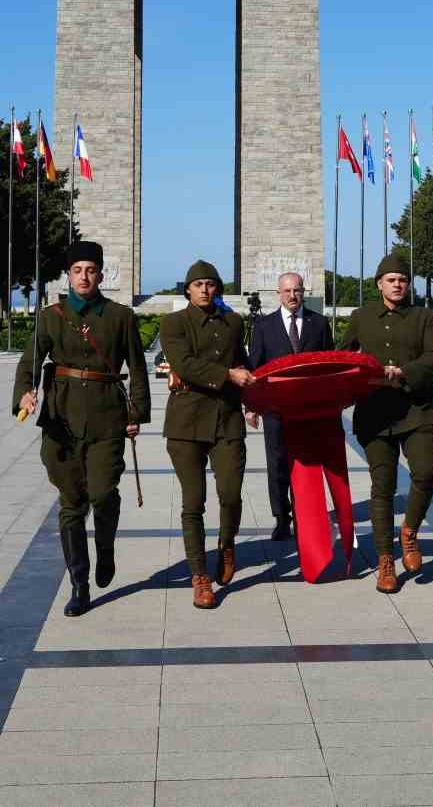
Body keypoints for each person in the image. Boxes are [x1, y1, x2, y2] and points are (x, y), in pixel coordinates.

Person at [14, 241, 150, 617]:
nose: (84, 277)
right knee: (72, 503)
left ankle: (105, 549)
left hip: (107, 418)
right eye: (77, 271)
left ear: (100, 275)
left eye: (90, 270)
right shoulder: (51, 317)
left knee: (104, 494)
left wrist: (136, 412)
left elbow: (138, 369)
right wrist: (25, 392)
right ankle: (79, 583)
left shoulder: (120, 316)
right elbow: (29, 363)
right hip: (61, 419)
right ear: (69, 276)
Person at [339, 254, 433, 593]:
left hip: (416, 410)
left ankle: (409, 531)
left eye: (402, 279)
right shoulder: (361, 317)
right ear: (379, 284)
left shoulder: (424, 316)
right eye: (391, 279)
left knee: (425, 473)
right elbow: (343, 356)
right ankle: (386, 560)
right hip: (375, 415)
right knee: (382, 488)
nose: (397, 284)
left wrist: (405, 372)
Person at [159, 259, 256, 610]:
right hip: (187, 422)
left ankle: (227, 544)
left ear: (217, 288)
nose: (204, 289)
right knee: (193, 502)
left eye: (210, 284)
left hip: (227, 419)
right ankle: (200, 576)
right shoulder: (173, 323)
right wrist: (228, 375)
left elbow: (243, 362)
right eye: (198, 284)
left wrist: (254, 399)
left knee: (230, 494)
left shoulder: (234, 322)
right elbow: (184, 365)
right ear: (187, 289)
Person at [245, 272, 334, 541]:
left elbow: (328, 365)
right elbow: (255, 368)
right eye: (287, 291)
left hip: (310, 409)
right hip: (275, 408)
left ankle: (305, 515)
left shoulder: (319, 323)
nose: (292, 296)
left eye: (297, 290)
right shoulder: (263, 326)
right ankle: (282, 517)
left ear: (303, 292)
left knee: (307, 463)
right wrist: (251, 405)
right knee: (277, 464)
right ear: (278, 294)